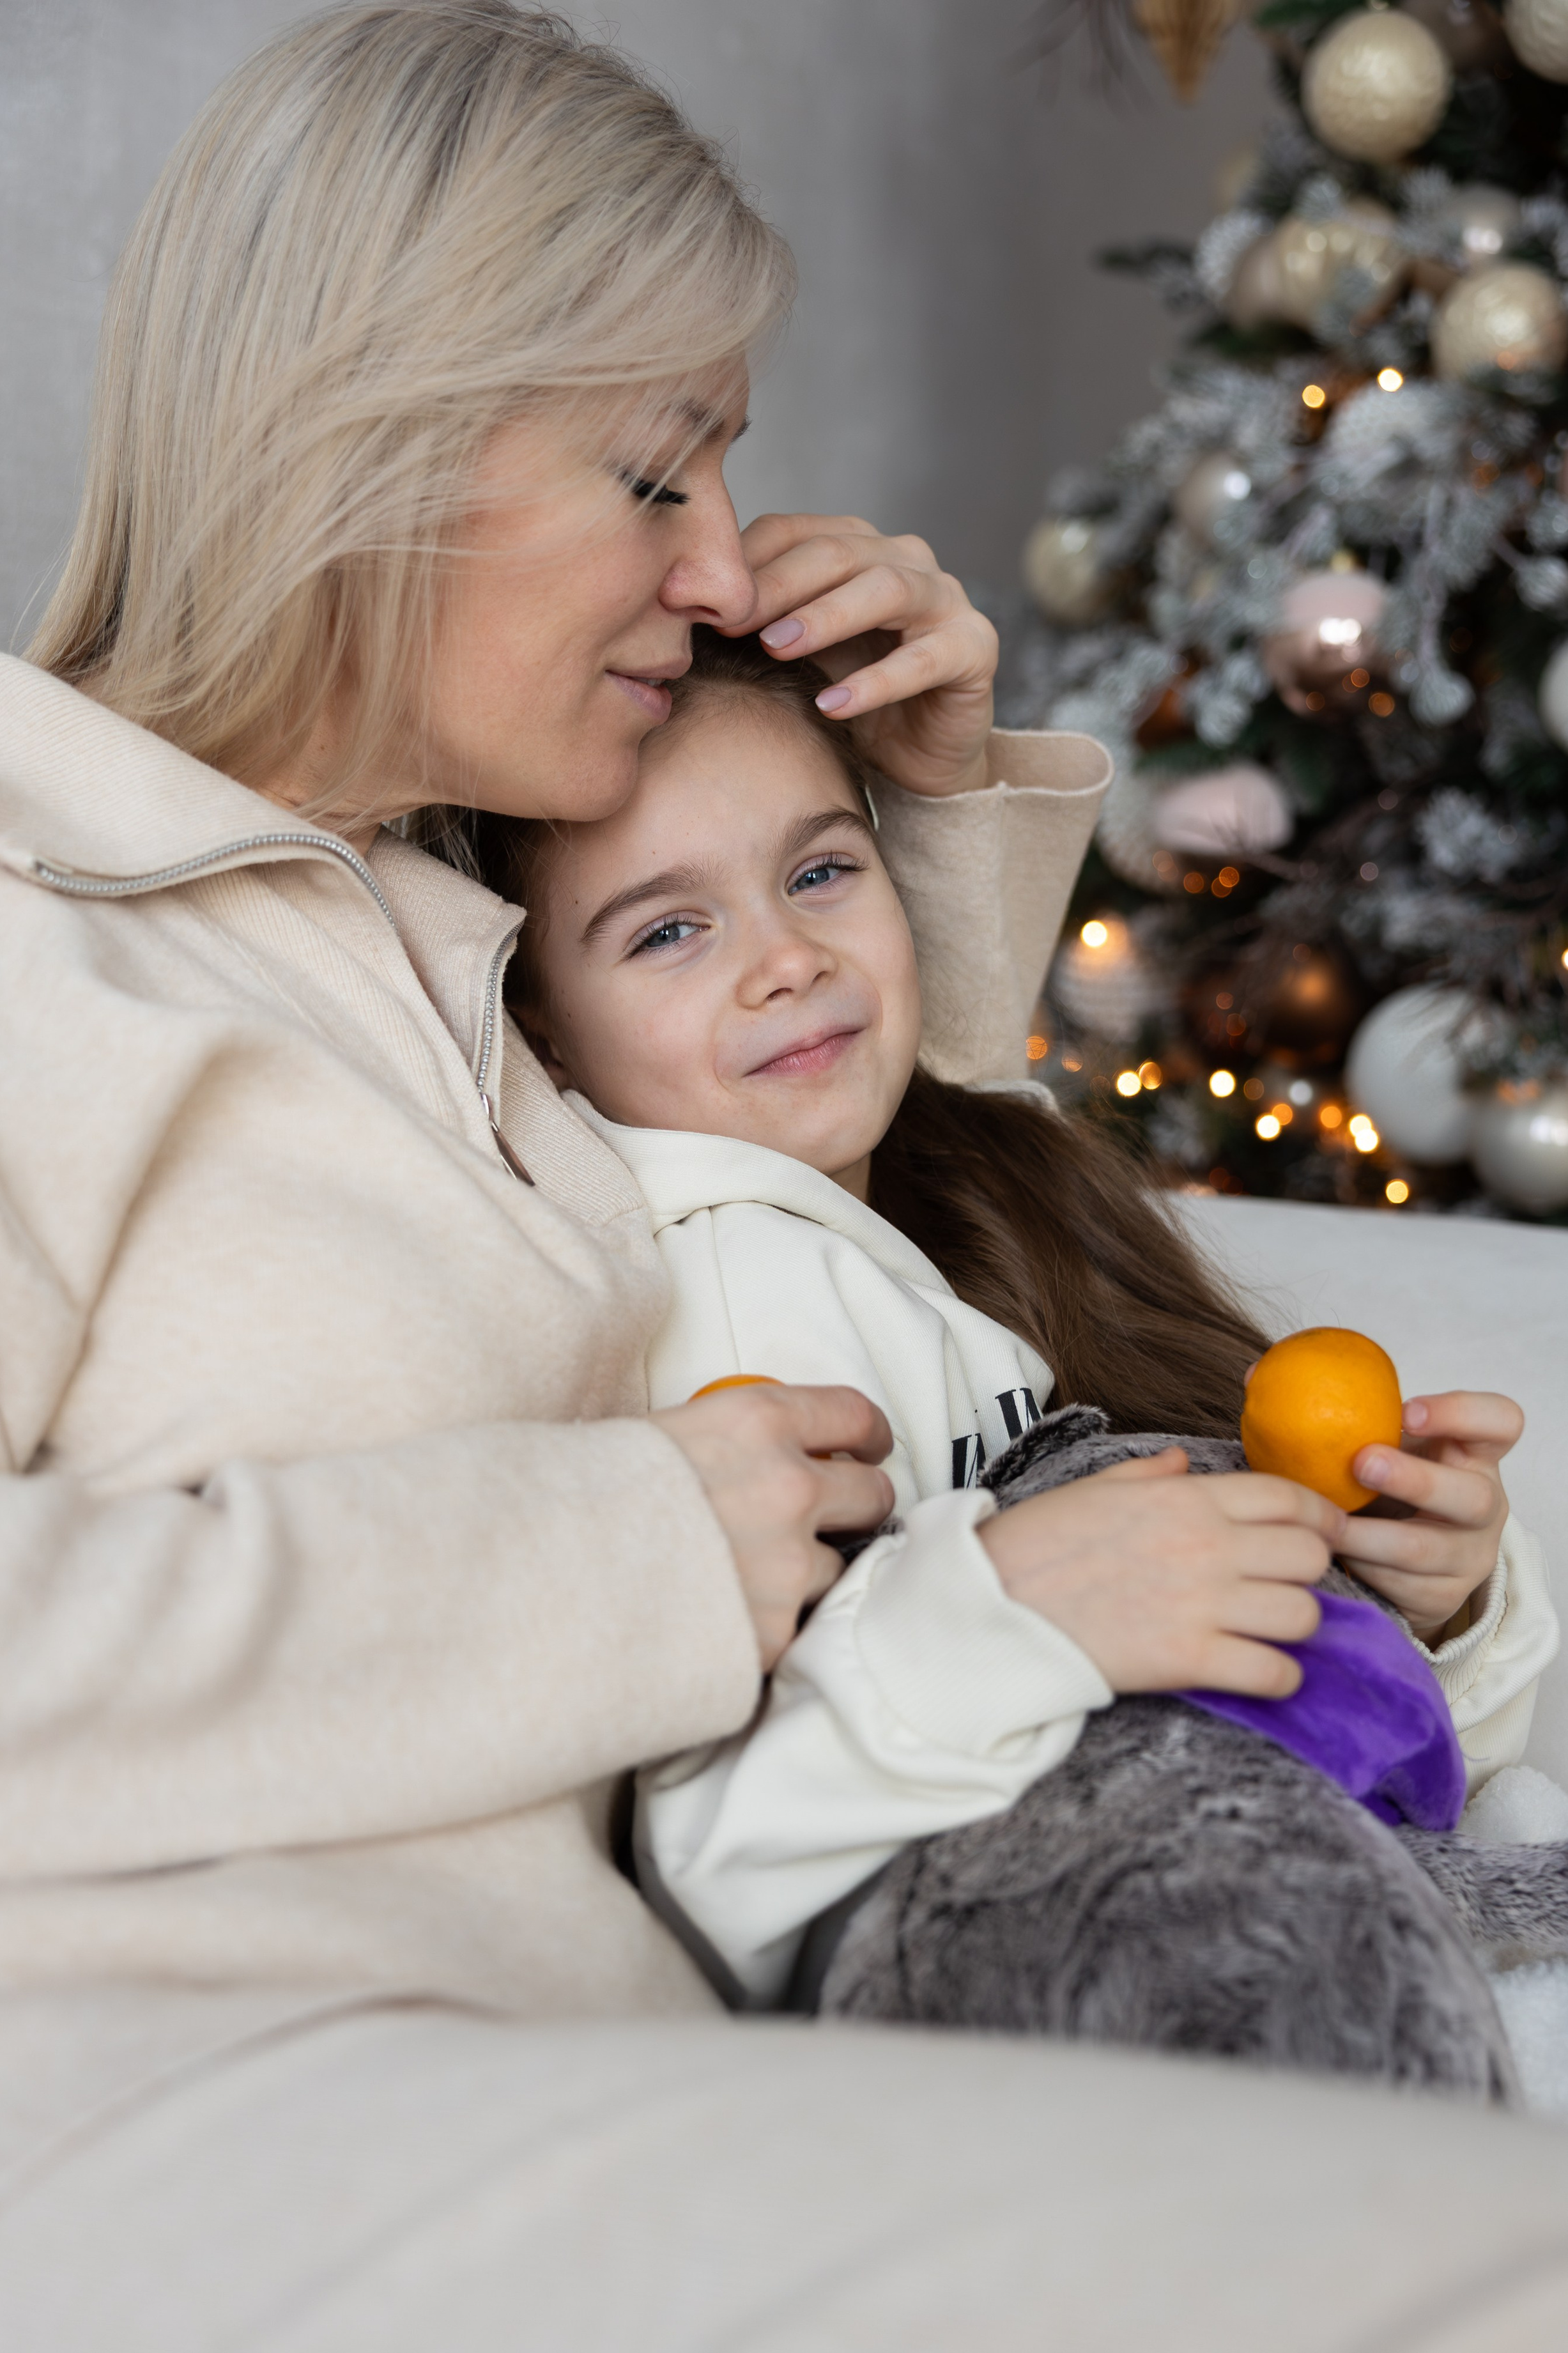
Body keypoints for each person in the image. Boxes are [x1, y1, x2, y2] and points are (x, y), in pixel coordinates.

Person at [0, 7, 1562, 2344]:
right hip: (160, 2107)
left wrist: (925, 803)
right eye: (653, 473)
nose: (719, 566)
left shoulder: (472, 942)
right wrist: (630, 1551)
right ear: (377, 441)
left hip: (620, 2074)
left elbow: (886, 1270)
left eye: (730, 466)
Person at [480, 628, 1558, 2010]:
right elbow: (722, 1864)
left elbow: (1334, 1745)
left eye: (820, 871)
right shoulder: (722, 1305)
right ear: (546, 1028)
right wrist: (1006, 1607)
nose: (787, 958)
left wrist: (1438, 1596)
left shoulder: (984, 1183)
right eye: (667, 930)